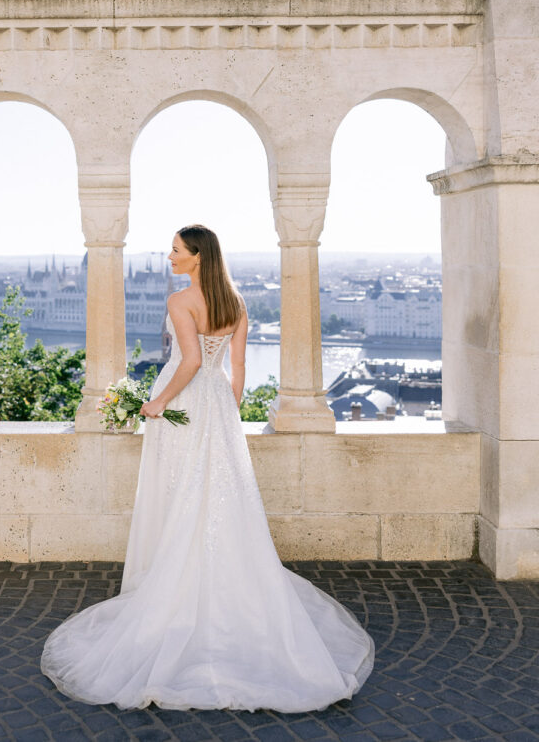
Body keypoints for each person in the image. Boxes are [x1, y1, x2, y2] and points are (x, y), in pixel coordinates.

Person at [41, 224, 374, 712]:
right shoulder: (236, 302)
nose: (169, 255)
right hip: (218, 407)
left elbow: (191, 360)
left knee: (181, 493)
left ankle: (178, 590)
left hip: (186, 402)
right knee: (221, 495)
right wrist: (228, 413)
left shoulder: (180, 302)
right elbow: (235, 370)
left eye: (176, 250)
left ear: (197, 257)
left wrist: (157, 404)